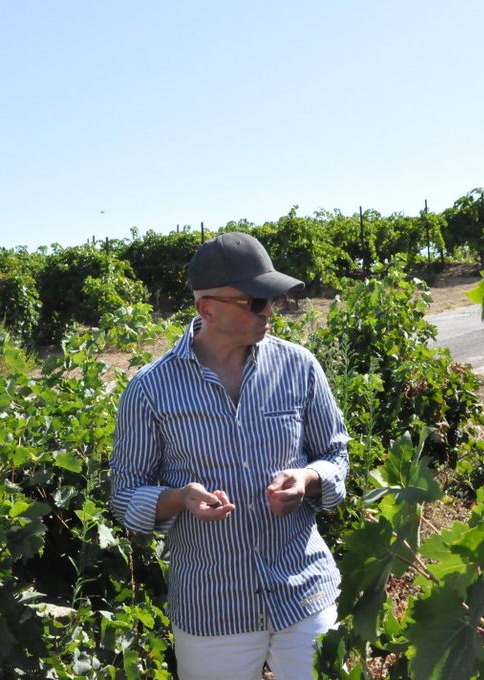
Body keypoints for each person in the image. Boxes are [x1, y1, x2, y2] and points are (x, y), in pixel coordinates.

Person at [109, 232, 349, 680]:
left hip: (303, 592)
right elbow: (124, 496)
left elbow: (335, 454)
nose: (269, 310)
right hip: (213, 607)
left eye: (271, 299)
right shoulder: (149, 389)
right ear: (207, 309)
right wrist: (179, 498)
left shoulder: (299, 367)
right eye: (256, 301)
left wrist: (308, 479)